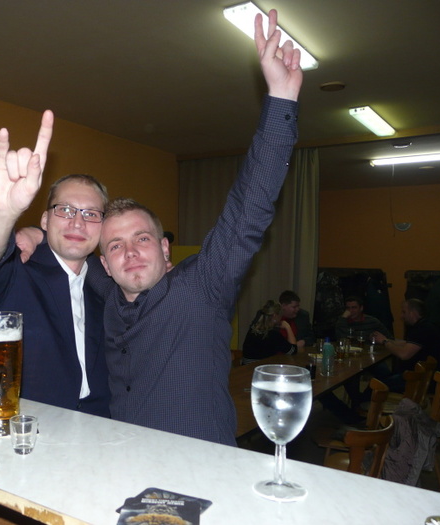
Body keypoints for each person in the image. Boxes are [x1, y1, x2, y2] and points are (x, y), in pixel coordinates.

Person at [85, 9, 302, 445]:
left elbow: (248, 208)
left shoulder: (201, 287)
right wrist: (35, 234)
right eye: (115, 246)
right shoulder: (107, 292)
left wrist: (281, 97)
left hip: (201, 472)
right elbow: (69, 254)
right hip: (122, 466)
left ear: (165, 249)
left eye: (142, 238)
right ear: (104, 264)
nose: (130, 252)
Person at [0, 112, 111, 417]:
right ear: (45, 220)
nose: (77, 223)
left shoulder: (108, 284)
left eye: (91, 214)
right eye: (65, 210)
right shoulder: (17, 271)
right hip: (24, 429)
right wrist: (2, 215)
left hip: (102, 429)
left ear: (102, 227)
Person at [370, 298, 440, 392]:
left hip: (419, 380)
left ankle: (360, 401)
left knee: (374, 386)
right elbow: (407, 344)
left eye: (404, 312)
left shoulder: (422, 329)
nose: (402, 316)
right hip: (422, 376)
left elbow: (404, 354)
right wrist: (386, 339)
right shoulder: (425, 325)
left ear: (413, 313)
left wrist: (384, 341)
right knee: (380, 374)